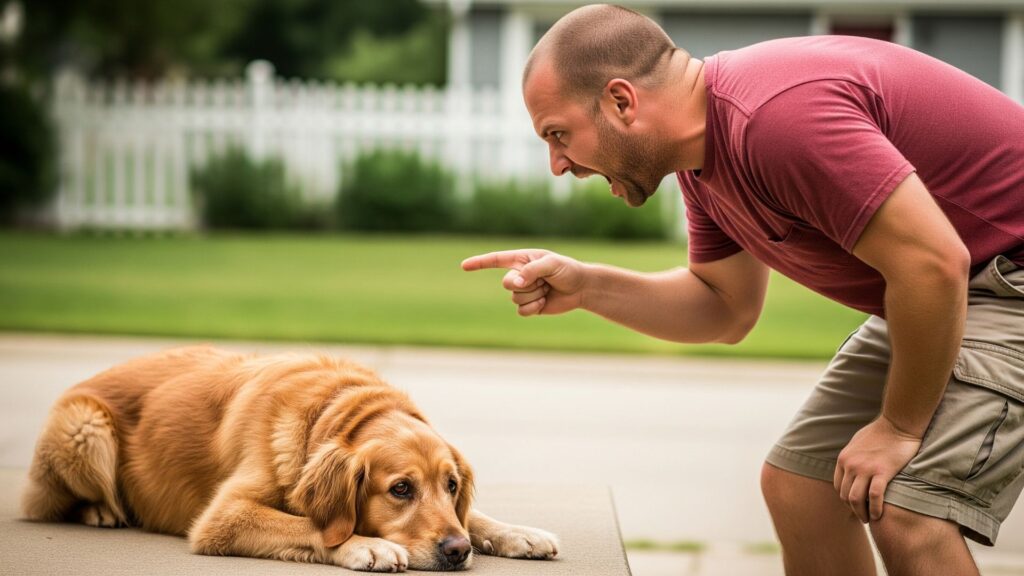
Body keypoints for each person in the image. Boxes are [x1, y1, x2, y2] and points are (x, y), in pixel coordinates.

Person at [461, 4, 1024, 576]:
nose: (557, 164)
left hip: (1004, 280)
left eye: (558, 134)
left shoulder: (775, 120)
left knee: (906, 505)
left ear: (621, 101)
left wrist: (899, 430)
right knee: (802, 484)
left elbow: (932, 264)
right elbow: (724, 308)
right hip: (951, 286)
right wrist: (587, 287)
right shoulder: (705, 161)